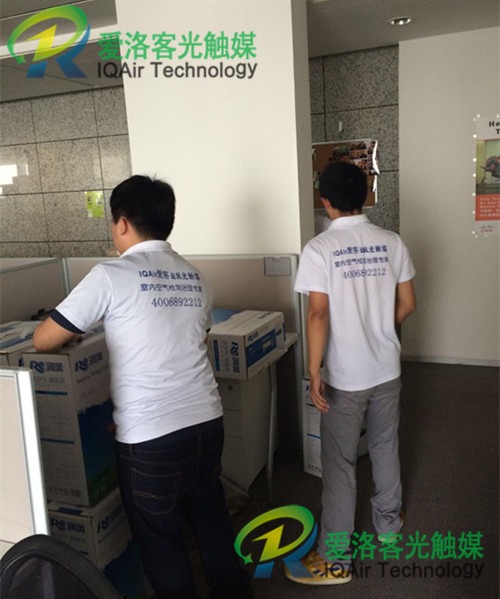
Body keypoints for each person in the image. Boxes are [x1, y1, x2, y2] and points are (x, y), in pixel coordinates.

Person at [33, 175, 252, 599]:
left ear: (122, 223)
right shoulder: (195, 276)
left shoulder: (111, 275)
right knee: (210, 518)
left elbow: (44, 339)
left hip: (150, 439)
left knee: (161, 540)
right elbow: (196, 341)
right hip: (206, 423)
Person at [287, 161, 416, 585]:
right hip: (387, 368)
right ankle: (388, 526)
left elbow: (318, 314)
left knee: (340, 463)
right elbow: (408, 304)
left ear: (325, 201)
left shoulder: (319, 249)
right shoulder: (392, 241)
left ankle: (335, 559)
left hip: (345, 376)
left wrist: (313, 369)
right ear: (366, 196)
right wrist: (378, 329)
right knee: (384, 444)